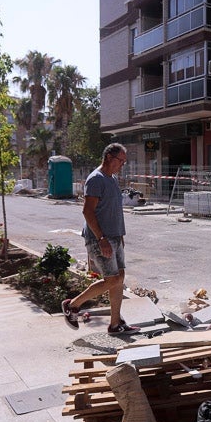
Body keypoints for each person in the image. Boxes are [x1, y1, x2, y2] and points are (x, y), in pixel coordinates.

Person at [62, 143, 138, 336]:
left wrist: (119, 236)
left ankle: (115, 324)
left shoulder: (111, 179)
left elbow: (113, 211)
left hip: (115, 237)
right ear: (110, 158)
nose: (122, 165)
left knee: (119, 279)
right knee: (112, 280)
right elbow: (87, 211)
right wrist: (101, 238)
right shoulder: (96, 179)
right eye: (121, 161)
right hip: (100, 238)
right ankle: (73, 305)